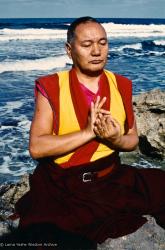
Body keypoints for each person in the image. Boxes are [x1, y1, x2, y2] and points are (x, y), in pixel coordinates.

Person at [13, 16, 165, 249]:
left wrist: (115, 139)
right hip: (64, 184)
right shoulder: (52, 86)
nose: (96, 51)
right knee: (50, 234)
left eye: (102, 43)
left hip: (111, 177)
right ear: (69, 50)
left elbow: (131, 140)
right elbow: (37, 147)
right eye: (87, 45)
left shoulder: (121, 84)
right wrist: (87, 132)